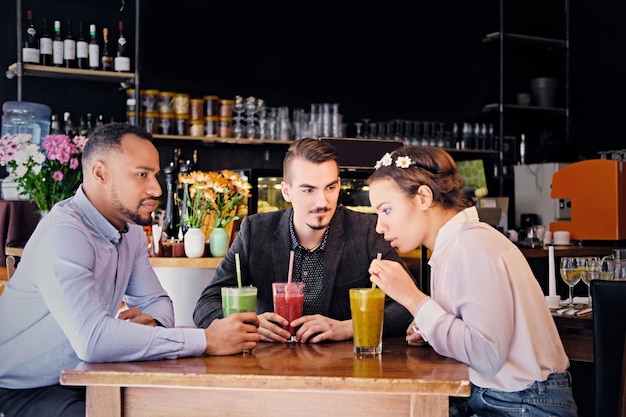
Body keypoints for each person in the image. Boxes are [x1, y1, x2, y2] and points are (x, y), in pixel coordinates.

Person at [0, 123, 259, 417]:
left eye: (156, 175)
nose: (157, 188)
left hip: (90, 375)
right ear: (100, 173)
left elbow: (158, 303)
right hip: (22, 390)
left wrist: (147, 326)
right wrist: (206, 340)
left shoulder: (130, 230)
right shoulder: (65, 233)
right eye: (142, 174)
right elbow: (93, 341)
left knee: (196, 406)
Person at [366, 145, 577, 417]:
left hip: (524, 404)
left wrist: (413, 300)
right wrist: (430, 327)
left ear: (423, 197)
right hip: (502, 397)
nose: (379, 227)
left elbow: (486, 355)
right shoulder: (456, 243)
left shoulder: (470, 245)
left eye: (386, 210)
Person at [194, 138, 416, 343]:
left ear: (339, 185)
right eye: (308, 190)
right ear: (286, 191)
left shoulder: (367, 231)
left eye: (330, 187)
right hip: (269, 368)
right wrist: (251, 325)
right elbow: (205, 306)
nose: (322, 201)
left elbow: (409, 306)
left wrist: (347, 328)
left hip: (346, 366)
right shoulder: (255, 230)